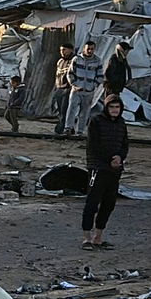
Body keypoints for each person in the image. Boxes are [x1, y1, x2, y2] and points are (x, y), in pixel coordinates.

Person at [83, 95, 128, 251]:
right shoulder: (96, 121)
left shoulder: (122, 123)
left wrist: (119, 157)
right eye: (112, 107)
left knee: (109, 204)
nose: (115, 110)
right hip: (98, 167)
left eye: (117, 107)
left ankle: (98, 237)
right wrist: (109, 158)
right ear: (106, 107)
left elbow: (124, 145)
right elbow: (93, 145)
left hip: (114, 170)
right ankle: (86, 238)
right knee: (92, 202)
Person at [66, 40, 102, 136]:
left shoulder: (97, 61)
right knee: (71, 109)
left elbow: (100, 76)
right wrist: (74, 84)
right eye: (88, 49)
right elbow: (70, 73)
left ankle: (80, 131)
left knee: (84, 112)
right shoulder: (77, 59)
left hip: (89, 91)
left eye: (92, 49)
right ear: (84, 49)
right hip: (76, 90)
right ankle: (68, 128)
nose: (90, 51)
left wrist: (94, 85)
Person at [52, 44, 76, 135]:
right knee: (60, 110)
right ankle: (64, 127)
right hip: (59, 88)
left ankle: (62, 128)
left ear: (71, 50)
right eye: (61, 50)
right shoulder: (60, 61)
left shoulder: (74, 61)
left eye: (64, 50)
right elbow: (57, 75)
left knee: (65, 109)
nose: (62, 52)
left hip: (68, 88)